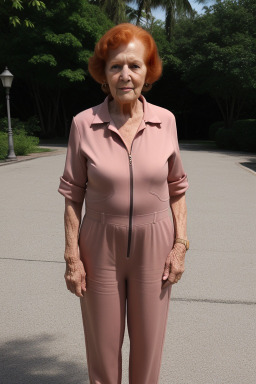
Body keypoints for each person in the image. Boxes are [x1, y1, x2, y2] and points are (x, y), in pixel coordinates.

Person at [58, 23, 189, 384]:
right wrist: (72, 256)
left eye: (134, 66)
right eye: (116, 66)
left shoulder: (166, 121)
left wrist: (180, 245)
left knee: (149, 348)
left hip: (155, 244)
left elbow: (177, 187)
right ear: (104, 73)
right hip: (99, 245)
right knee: (102, 348)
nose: (125, 75)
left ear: (148, 72)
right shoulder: (84, 124)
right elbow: (72, 195)